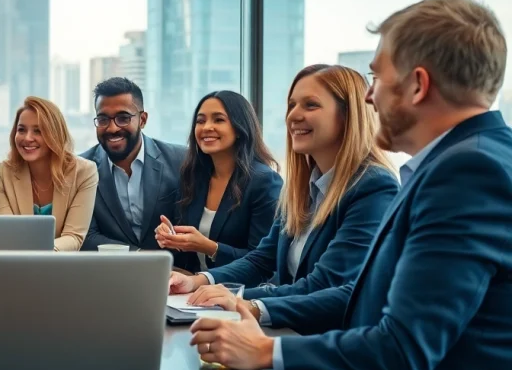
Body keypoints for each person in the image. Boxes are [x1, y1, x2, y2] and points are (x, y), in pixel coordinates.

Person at [189, 0, 512, 370]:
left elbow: (403, 348)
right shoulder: (464, 160)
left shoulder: (466, 171)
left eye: (376, 77)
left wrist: (264, 351)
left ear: (417, 85)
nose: (370, 96)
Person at [170, 65, 399, 316]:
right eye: (292, 105)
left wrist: (244, 302)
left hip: (328, 341)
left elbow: (324, 286)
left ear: (348, 115)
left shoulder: (373, 187)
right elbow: (261, 259)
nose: (293, 115)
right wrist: (197, 281)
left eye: (310, 105)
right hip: (291, 329)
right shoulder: (300, 189)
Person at [154, 91, 282, 272]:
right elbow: (187, 254)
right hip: (193, 288)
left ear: (239, 128)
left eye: (219, 120)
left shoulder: (264, 181)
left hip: (242, 293)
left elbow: (264, 261)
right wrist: (171, 237)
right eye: (200, 121)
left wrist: (209, 247)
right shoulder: (193, 177)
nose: (206, 127)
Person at [80, 77, 188, 253]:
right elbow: (85, 235)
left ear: (143, 120)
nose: (112, 128)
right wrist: (139, 257)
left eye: (123, 118)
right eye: (103, 119)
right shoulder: (82, 169)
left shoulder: (181, 160)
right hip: (108, 273)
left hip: (176, 273)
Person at [0, 96, 99, 251]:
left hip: (60, 267)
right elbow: (8, 234)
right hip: (14, 267)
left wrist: (41, 253)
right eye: (21, 130)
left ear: (54, 134)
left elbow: (74, 237)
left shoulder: (84, 172)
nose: (27, 138)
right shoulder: (0, 174)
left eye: (38, 131)